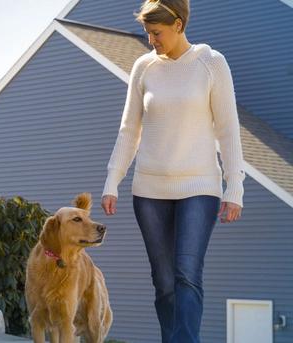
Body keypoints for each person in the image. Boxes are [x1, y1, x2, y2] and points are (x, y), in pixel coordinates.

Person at [99, 0, 245, 342]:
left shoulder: (212, 63)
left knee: (187, 274)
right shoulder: (143, 67)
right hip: (149, 192)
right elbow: (129, 130)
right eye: (149, 33)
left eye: (157, 33)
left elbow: (228, 129)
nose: (152, 40)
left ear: (178, 24)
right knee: (163, 281)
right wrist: (112, 181)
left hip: (200, 188)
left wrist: (234, 186)